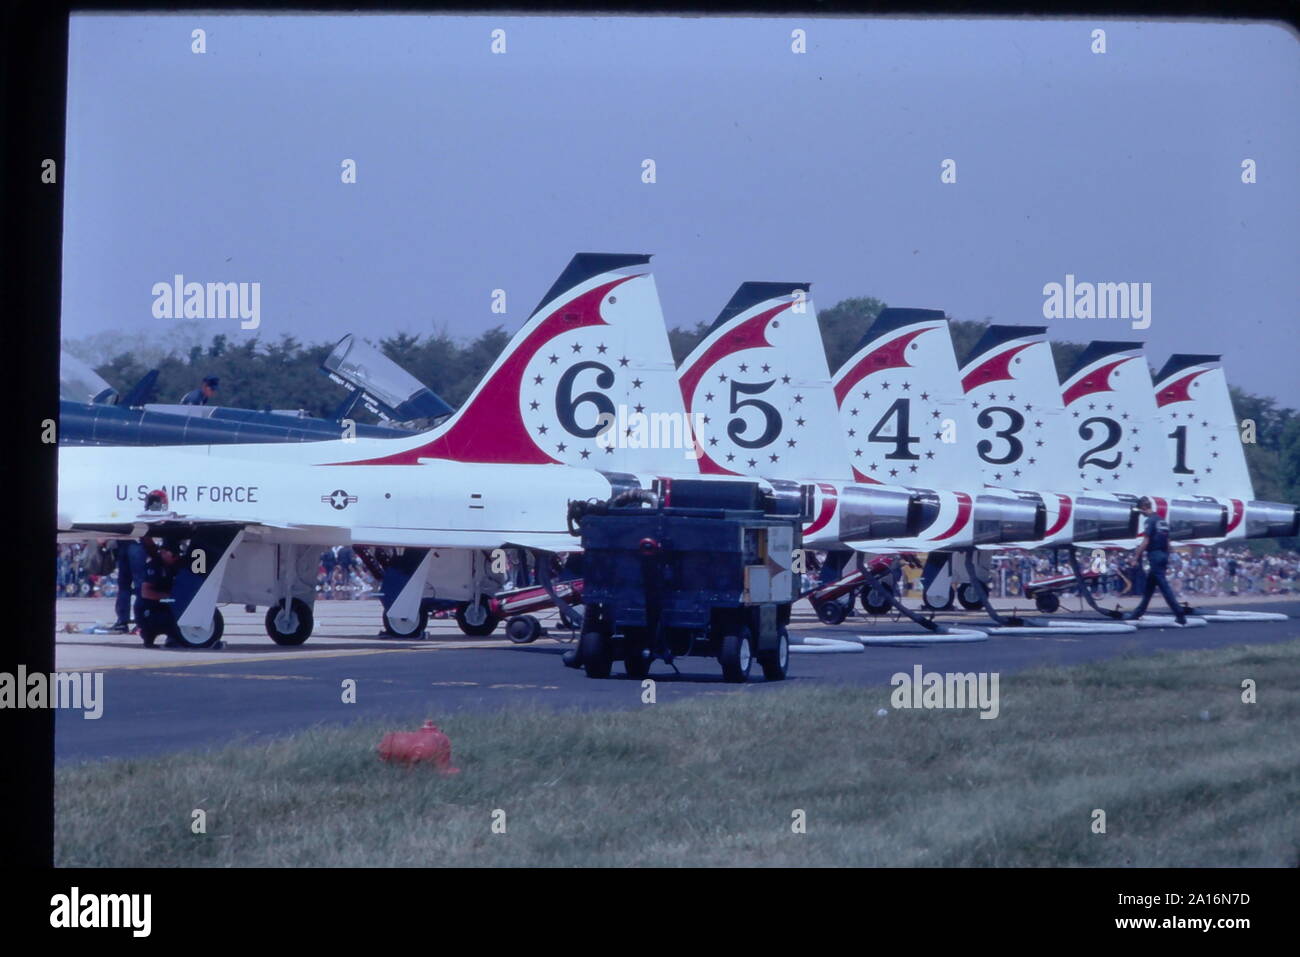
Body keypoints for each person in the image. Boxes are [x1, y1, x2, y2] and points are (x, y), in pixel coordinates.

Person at [1127, 497, 1187, 625]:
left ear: (1144, 507)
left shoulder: (1150, 521)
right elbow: (1168, 541)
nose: (1141, 513)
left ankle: (1179, 613)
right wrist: (1170, 556)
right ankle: (1138, 612)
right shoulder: (1162, 521)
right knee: (1149, 587)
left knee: (1164, 587)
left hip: (1155, 555)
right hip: (1163, 554)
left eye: (1140, 510)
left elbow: (1146, 541)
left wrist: (1135, 557)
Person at [137, 537, 185, 647]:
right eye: (173, 555)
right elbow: (146, 592)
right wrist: (169, 598)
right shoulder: (154, 566)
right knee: (171, 617)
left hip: (163, 605)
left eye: (178, 555)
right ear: (163, 553)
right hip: (149, 609)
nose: (176, 558)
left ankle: (172, 637)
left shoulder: (175, 565)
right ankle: (150, 635)